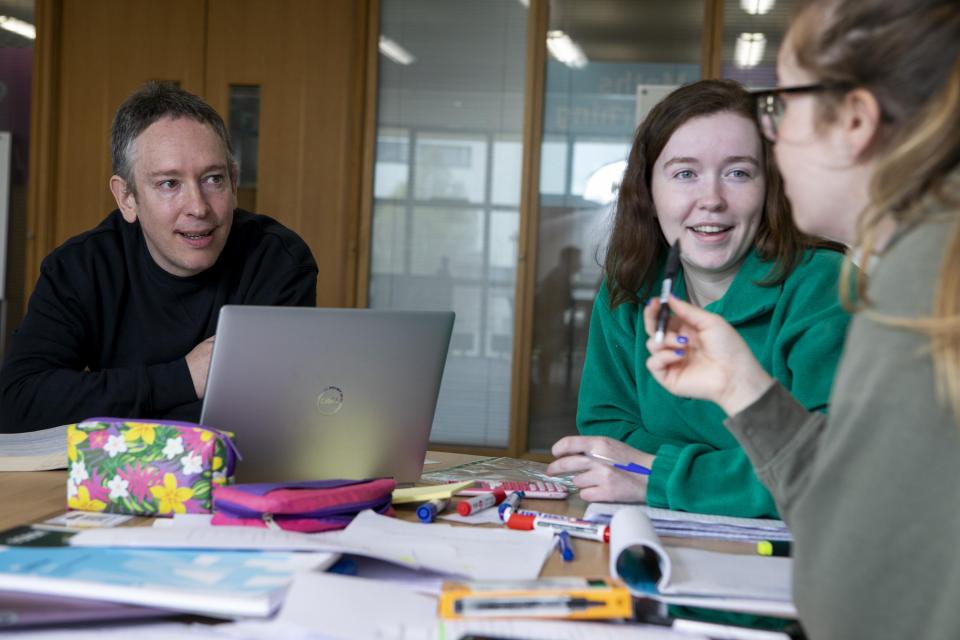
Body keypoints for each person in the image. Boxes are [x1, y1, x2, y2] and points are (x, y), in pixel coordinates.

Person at [644, 1, 960, 637]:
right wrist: (741, 387)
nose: (774, 135)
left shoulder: (923, 283)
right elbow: (853, 509)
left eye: (782, 105)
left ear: (855, 120)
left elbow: (860, 567)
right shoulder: (915, 261)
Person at [547, 79, 849, 518]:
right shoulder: (628, 287)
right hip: (649, 527)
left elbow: (839, 469)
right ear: (648, 191)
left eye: (738, 173)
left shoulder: (826, 286)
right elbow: (607, 435)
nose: (711, 200)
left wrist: (660, 473)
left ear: (770, 188)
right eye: (685, 173)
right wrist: (738, 470)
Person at [0, 82, 318, 433]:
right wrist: (181, 379)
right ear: (127, 199)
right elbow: (17, 402)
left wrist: (107, 403)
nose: (198, 207)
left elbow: (274, 416)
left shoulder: (276, 261)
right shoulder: (80, 268)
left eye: (213, 179)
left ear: (234, 182)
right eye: (169, 184)